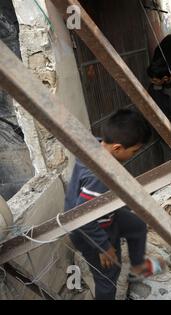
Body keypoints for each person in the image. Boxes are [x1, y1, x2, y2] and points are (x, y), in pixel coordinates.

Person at [65, 109, 164, 300]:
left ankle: (137, 267)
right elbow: (82, 217)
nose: (135, 154)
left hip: (102, 214)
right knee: (108, 277)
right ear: (117, 148)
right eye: (134, 151)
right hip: (88, 231)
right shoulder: (99, 177)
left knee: (136, 226)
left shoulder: (96, 144)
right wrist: (104, 246)